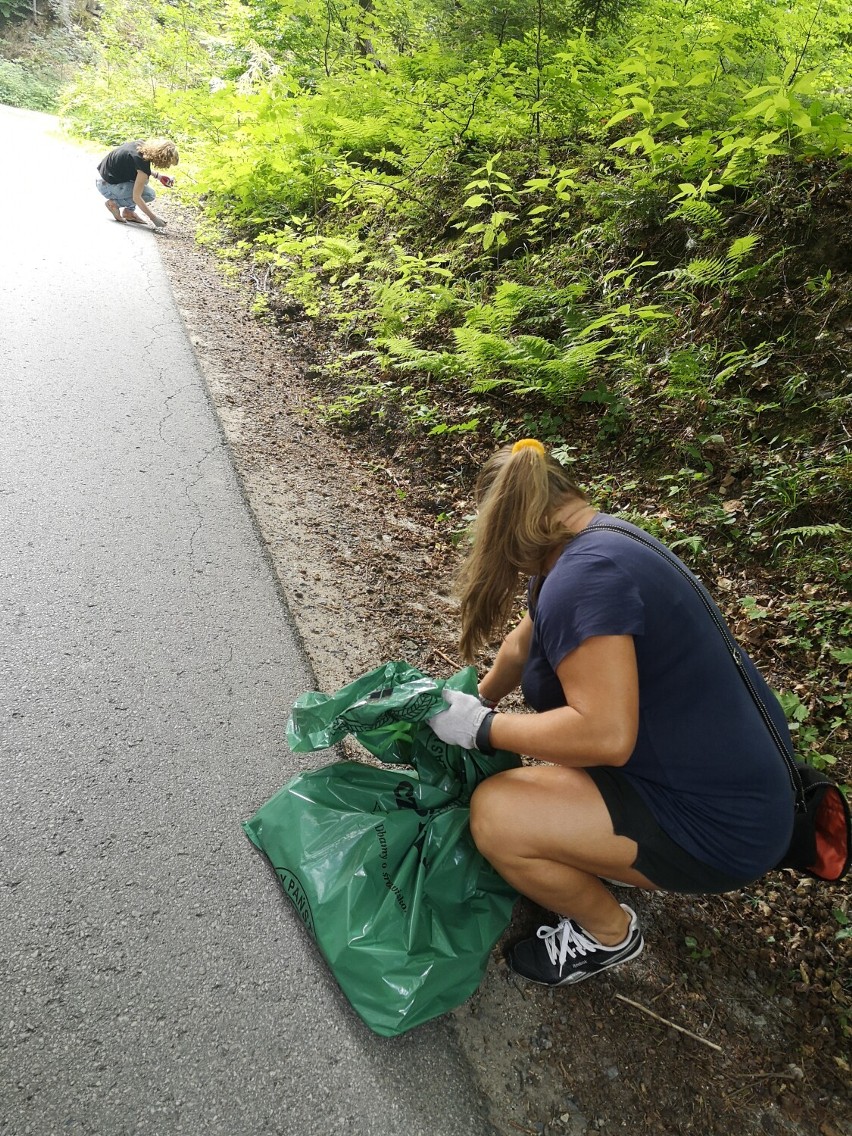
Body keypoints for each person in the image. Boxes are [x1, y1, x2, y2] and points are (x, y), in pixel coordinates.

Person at [428, 439, 795, 988]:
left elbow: (603, 736)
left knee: (497, 815)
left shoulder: (584, 577)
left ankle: (608, 934)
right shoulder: (592, 546)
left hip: (721, 824)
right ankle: (607, 855)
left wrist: (481, 729)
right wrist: (480, 699)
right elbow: (521, 646)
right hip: (718, 783)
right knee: (536, 785)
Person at [95, 138, 179, 228]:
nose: (168, 166)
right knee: (149, 194)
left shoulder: (140, 145)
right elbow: (136, 197)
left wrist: (159, 176)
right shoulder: (142, 165)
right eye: (169, 164)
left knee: (143, 180)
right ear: (163, 159)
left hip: (102, 179)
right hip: (107, 186)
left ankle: (129, 212)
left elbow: (138, 167)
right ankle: (114, 204)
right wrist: (154, 218)